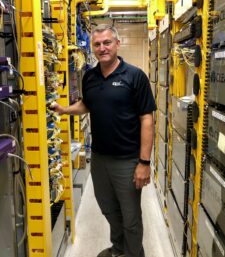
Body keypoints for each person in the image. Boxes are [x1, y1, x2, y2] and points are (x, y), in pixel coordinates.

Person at [53, 24, 156, 257]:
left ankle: (133, 254)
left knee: (130, 217)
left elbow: (147, 119)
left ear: (117, 44)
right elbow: (87, 104)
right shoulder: (89, 76)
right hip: (100, 159)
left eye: (107, 42)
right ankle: (119, 249)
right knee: (109, 209)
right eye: (97, 44)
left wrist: (144, 162)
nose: (102, 48)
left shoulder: (135, 76)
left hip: (128, 160)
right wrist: (64, 109)